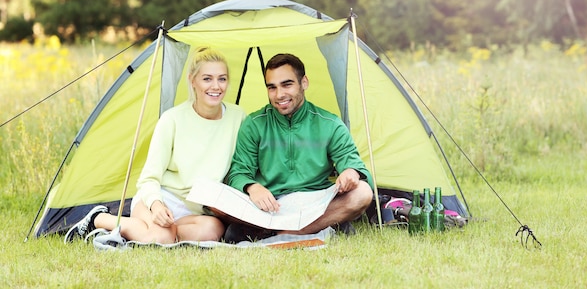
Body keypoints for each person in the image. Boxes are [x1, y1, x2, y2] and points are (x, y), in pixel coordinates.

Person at [64, 46, 246, 244]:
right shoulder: (172, 120)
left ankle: (143, 233)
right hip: (159, 198)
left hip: (194, 211)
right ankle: (98, 219)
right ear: (192, 81)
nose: (216, 86)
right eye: (207, 79)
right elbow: (149, 178)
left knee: (213, 231)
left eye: (222, 78)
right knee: (162, 236)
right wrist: (157, 205)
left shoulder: (238, 117)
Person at [224, 53, 373, 242]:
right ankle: (319, 228)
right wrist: (253, 187)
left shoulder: (330, 123)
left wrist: (350, 173)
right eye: (272, 87)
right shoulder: (254, 124)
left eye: (287, 85)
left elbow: (351, 161)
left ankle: (287, 234)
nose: (279, 95)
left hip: (315, 204)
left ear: (304, 83)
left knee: (363, 192)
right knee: (212, 200)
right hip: (270, 206)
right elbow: (238, 173)